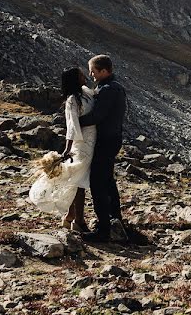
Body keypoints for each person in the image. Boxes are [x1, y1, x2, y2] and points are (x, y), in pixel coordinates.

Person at [28, 67, 96, 232]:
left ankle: (70, 217)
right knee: (79, 182)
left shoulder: (87, 93)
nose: (84, 76)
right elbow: (71, 125)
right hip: (81, 144)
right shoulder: (73, 100)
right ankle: (78, 221)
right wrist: (68, 148)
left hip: (92, 141)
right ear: (74, 79)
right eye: (80, 75)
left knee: (79, 181)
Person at [78, 54, 127, 242]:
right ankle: (115, 219)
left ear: (104, 71)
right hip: (113, 138)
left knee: (98, 182)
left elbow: (97, 116)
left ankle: (104, 228)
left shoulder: (107, 90)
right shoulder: (115, 88)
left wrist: (75, 121)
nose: (91, 75)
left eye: (93, 71)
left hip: (105, 140)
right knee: (107, 180)